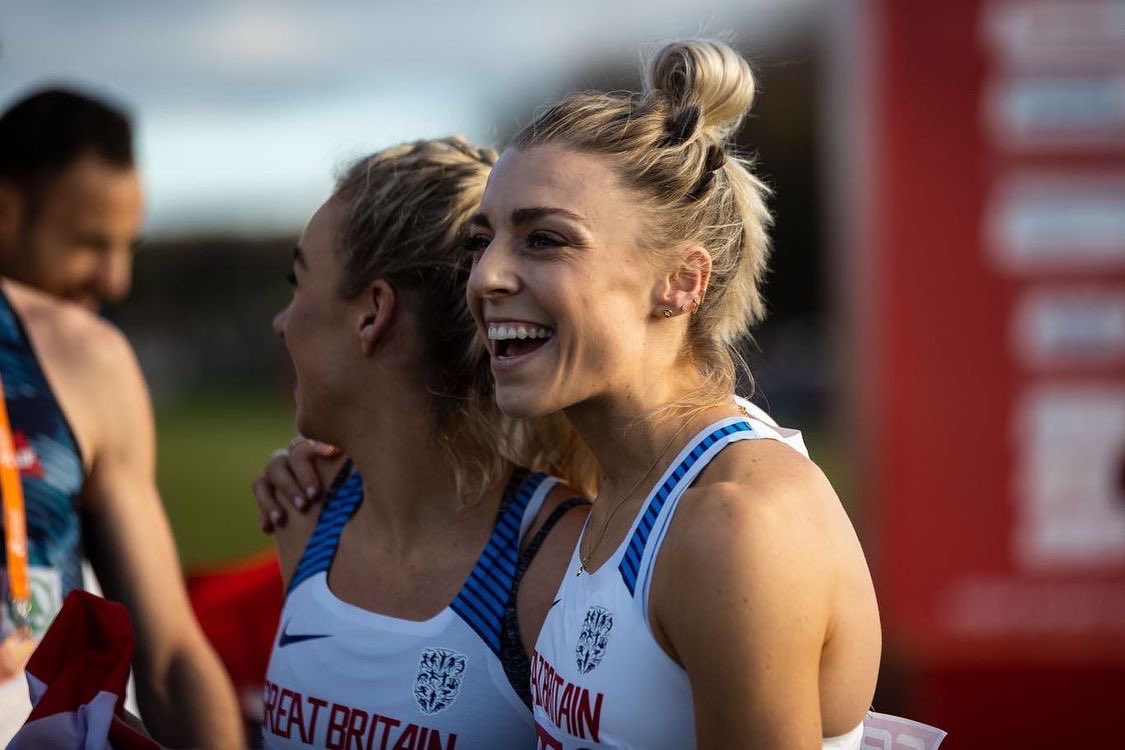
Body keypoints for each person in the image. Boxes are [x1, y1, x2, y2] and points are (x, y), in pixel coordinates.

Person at [465, 40, 882, 749]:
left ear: (682, 281)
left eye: (543, 240)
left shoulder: (738, 525)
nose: (484, 277)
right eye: (482, 240)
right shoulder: (607, 476)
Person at [259, 136, 590, 749]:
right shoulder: (305, 510)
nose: (283, 322)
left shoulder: (554, 562)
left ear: (373, 314)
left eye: (297, 282)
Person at [0, 86, 244, 747]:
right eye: (88, 243)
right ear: (6, 207)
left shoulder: (88, 357)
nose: (114, 283)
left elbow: (169, 658)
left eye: (126, 247)